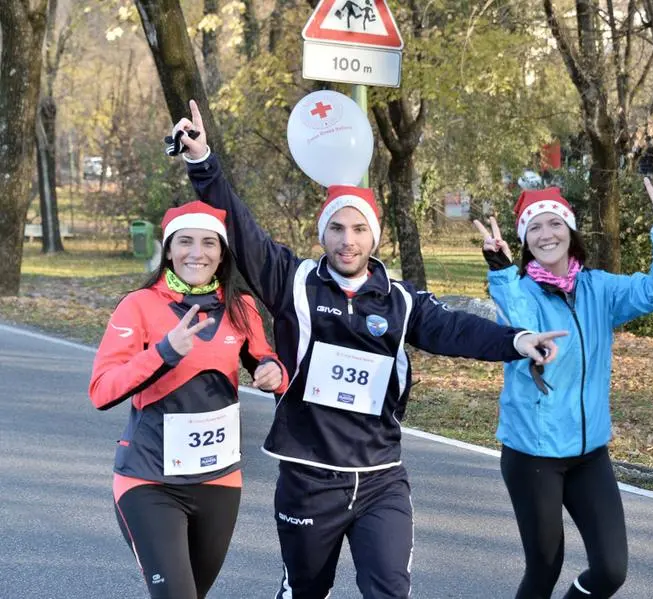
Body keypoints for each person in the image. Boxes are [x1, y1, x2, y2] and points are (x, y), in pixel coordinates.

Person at [168, 99, 567, 599]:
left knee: (389, 590)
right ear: (323, 234)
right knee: (306, 591)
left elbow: (453, 330)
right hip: (310, 476)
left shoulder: (399, 299)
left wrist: (516, 341)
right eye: (336, 229)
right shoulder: (292, 283)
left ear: (373, 236)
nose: (347, 241)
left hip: (380, 477)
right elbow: (242, 229)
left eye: (358, 229)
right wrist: (203, 164)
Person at [473, 175, 653, 599]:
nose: (546, 234)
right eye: (534, 227)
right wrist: (501, 271)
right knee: (544, 569)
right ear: (524, 240)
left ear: (570, 231)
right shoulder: (523, 294)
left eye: (554, 224)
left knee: (610, 570)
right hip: (533, 454)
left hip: (589, 454)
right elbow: (518, 321)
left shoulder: (600, 289)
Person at [89, 201, 289, 599]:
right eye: (185, 242)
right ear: (167, 249)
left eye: (208, 243)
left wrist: (274, 372)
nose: (197, 253)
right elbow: (102, 389)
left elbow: (267, 361)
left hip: (219, 480)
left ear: (222, 252)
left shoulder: (240, 306)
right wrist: (164, 351)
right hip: (148, 480)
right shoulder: (139, 305)